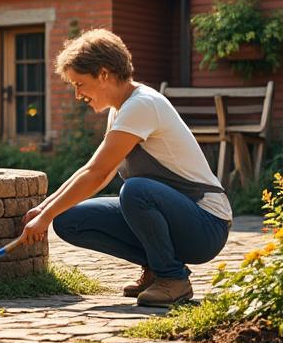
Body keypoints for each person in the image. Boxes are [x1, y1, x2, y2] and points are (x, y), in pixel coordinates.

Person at [15, 29, 232, 307]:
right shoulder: (120, 108)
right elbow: (93, 169)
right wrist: (46, 210)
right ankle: (157, 268)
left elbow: (97, 175)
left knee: (136, 191)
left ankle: (172, 278)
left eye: (79, 84)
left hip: (207, 225)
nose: (77, 94)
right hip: (182, 217)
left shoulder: (142, 105)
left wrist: (44, 216)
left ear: (103, 74)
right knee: (69, 221)